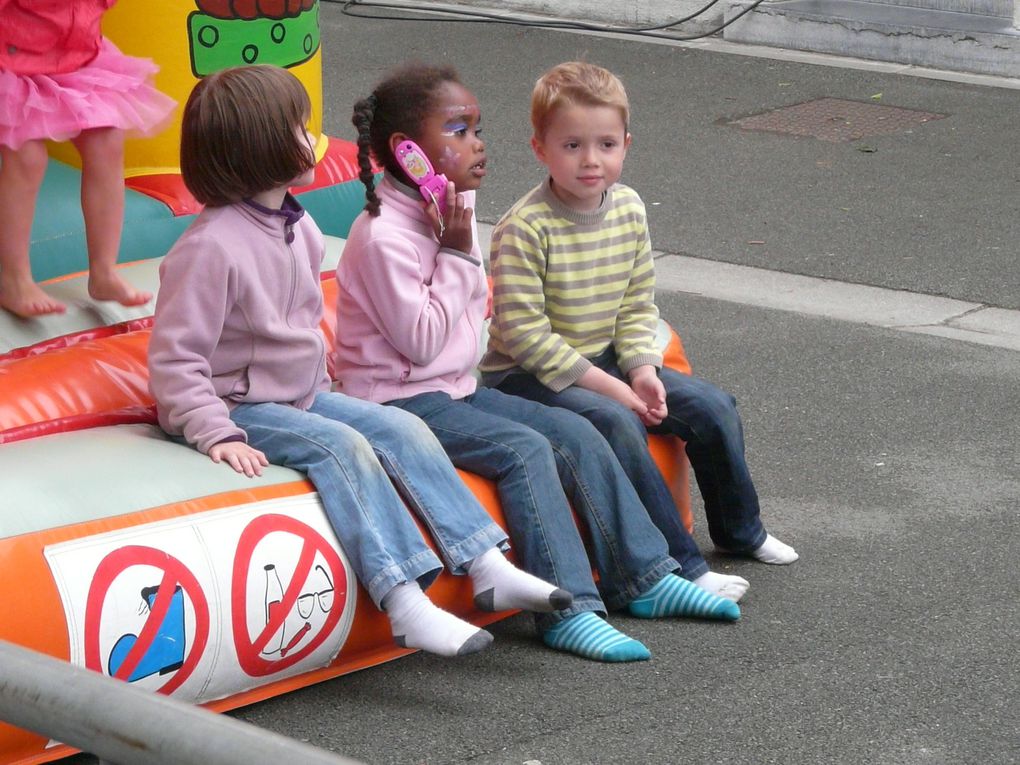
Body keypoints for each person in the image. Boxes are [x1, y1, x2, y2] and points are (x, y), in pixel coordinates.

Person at [148, 64, 567, 660]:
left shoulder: (298, 225)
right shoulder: (210, 247)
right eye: (298, 126)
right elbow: (175, 359)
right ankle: (403, 601)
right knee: (341, 449)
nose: (312, 139)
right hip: (239, 404)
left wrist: (327, 390)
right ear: (258, 146)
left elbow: (295, 333)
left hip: (298, 394)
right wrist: (214, 431)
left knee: (402, 426)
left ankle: (485, 561)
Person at [335, 63, 744, 664]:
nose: (477, 144)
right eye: (458, 131)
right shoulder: (383, 235)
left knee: (580, 429)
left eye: (478, 128)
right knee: (526, 450)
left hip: (452, 388)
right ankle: (569, 611)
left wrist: (454, 240)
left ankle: (646, 579)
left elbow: (467, 318)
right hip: (400, 400)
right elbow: (421, 341)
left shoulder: (448, 207)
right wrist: (452, 253)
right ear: (409, 153)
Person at [482, 61, 799, 571]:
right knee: (616, 421)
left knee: (712, 408)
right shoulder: (524, 227)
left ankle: (742, 532)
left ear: (626, 143)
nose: (591, 160)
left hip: (605, 359)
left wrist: (642, 370)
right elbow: (525, 336)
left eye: (606, 144)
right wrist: (617, 391)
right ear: (540, 148)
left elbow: (636, 304)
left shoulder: (628, 208)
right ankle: (677, 563)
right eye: (572, 146)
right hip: (527, 376)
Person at [0, 0, 176, 317]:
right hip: (9, 59)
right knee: (27, 156)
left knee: (106, 140)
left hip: (75, 56)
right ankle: (14, 278)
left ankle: (104, 271)